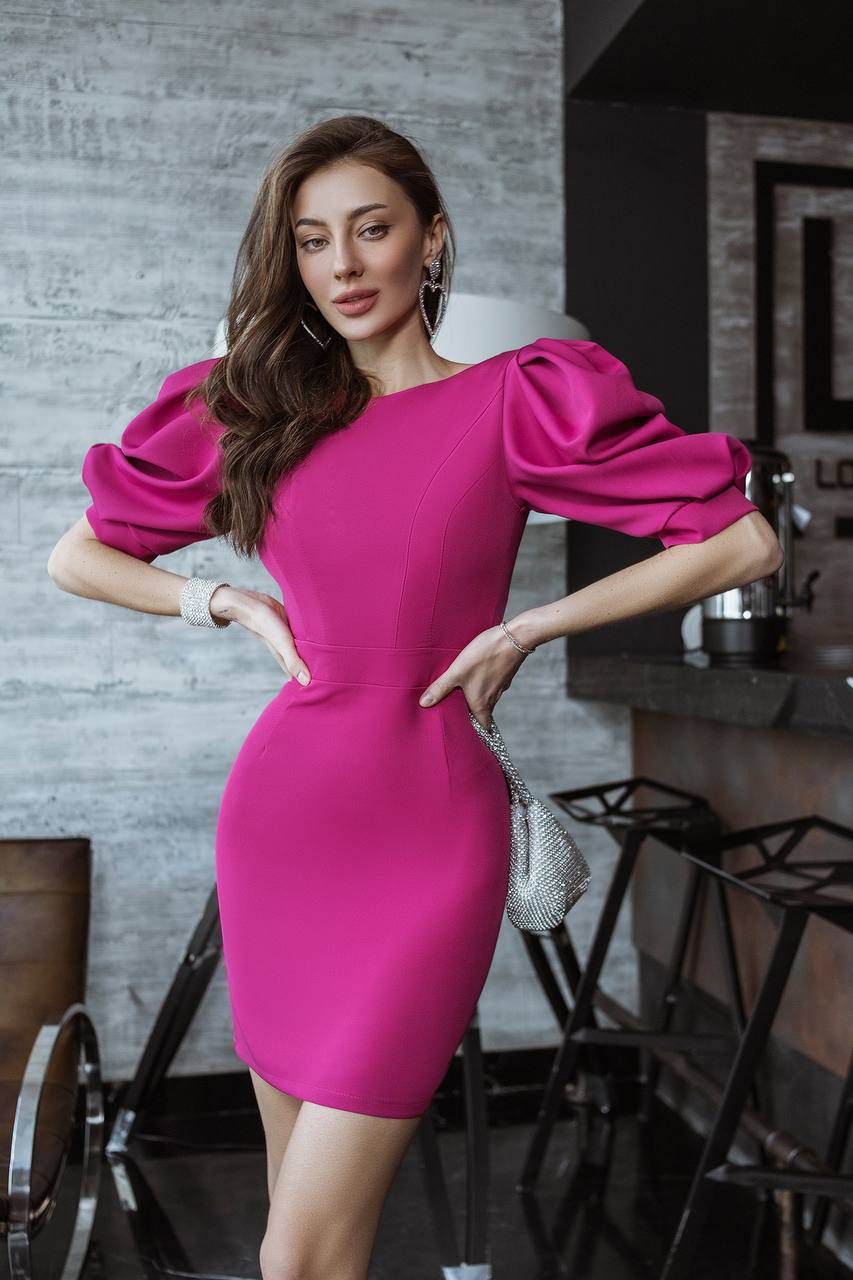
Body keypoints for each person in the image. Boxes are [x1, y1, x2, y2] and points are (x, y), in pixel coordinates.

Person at [47, 113, 782, 1280]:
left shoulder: (514, 399)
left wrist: (529, 625)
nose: (342, 264)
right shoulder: (257, 411)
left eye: (371, 229)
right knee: (301, 1242)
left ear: (429, 239)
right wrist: (222, 602)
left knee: (300, 1251)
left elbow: (740, 540)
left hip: (431, 833)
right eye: (312, 240)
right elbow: (76, 555)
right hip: (283, 824)